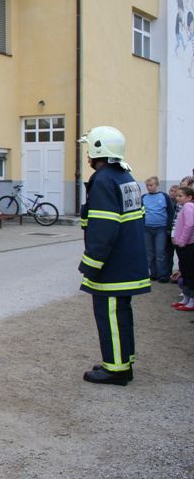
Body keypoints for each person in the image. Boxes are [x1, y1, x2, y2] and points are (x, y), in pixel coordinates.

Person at [77, 126, 150, 386]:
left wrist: (91, 263)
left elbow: (103, 227)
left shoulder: (103, 179)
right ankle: (122, 360)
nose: (87, 156)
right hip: (128, 260)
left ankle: (116, 370)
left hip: (113, 266)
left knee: (109, 314)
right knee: (121, 314)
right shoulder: (125, 176)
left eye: (89, 149)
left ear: (98, 149)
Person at [141, 176, 173, 283]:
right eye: (147, 186)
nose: (149, 187)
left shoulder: (164, 196)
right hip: (147, 228)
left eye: (151, 185)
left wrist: (169, 227)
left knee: (160, 252)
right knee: (149, 253)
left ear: (157, 185)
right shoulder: (144, 197)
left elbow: (170, 211)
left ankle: (163, 274)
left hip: (161, 228)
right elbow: (141, 213)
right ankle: (153, 273)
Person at [171, 186, 194, 311]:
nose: (178, 198)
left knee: (189, 273)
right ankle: (186, 298)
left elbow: (190, 224)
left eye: (181, 196)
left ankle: (191, 300)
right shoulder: (183, 208)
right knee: (184, 272)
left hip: (187, 245)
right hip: (182, 245)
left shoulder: (188, 207)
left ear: (189, 197)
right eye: (177, 195)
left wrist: (182, 241)